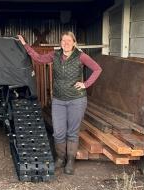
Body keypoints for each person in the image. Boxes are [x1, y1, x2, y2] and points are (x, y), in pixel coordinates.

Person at [17, 32, 102, 175]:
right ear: (60, 42)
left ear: (74, 43)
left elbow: (97, 69)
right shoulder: (55, 55)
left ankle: (70, 161)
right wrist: (25, 44)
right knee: (58, 132)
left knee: (72, 132)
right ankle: (60, 159)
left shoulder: (80, 56)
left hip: (77, 100)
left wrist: (85, 84)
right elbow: (38, 58)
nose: (66, 43)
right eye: (63, 40)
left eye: (69, 41)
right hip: (58, 101)